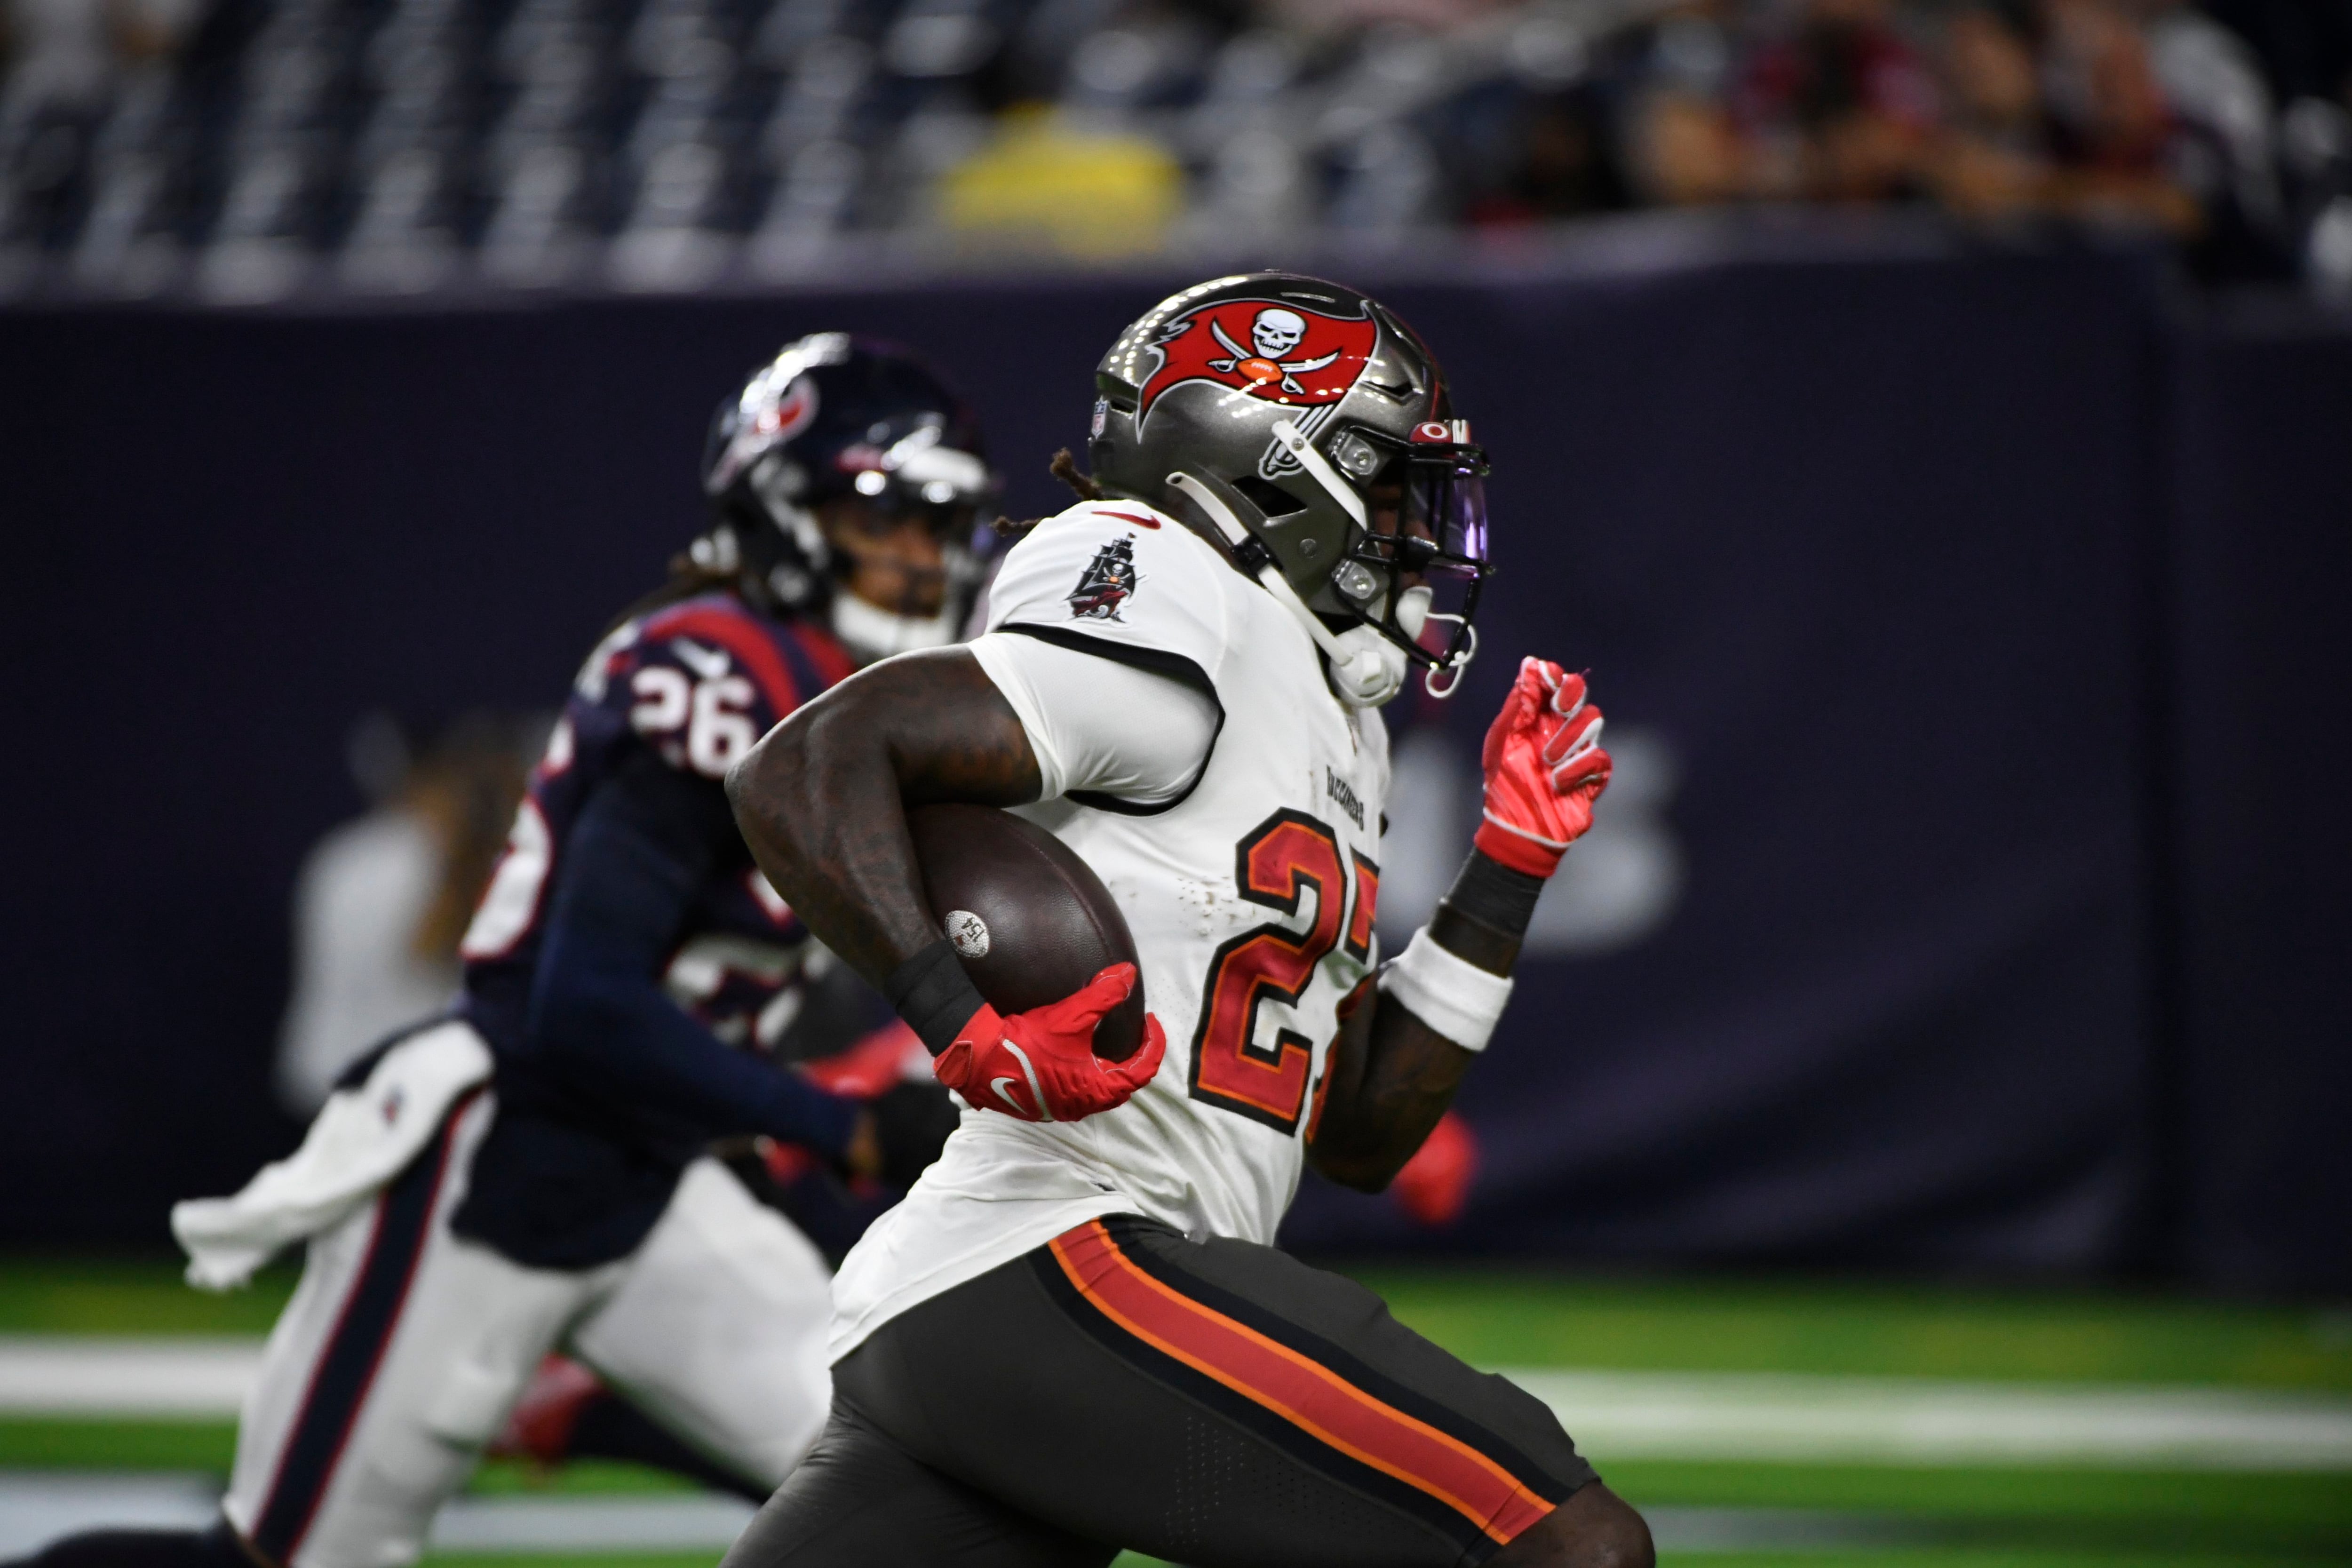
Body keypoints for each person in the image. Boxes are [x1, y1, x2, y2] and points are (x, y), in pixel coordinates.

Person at [6, 334, 987, 1568]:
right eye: (886, 513)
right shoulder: (713, 670)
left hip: (655, 1181)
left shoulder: (842, 699)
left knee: (909, 1495)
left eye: (939, 520)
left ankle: (589, 1409)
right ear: (785, 507)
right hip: (499, 1164)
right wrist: (827, 1122)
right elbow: (576, 1008)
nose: (919, 553)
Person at [722, 274, 1654, 1568]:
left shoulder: (1330, 711)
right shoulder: (1172, 583)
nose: (1410, 527)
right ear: (1270, 469)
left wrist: (1506, 869)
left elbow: (1364, 1137)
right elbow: (804, 767)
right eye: (1386, 483)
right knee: (1564, 1544)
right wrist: (953, 1013)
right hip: (1054, 1258)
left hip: (1025, 1305)